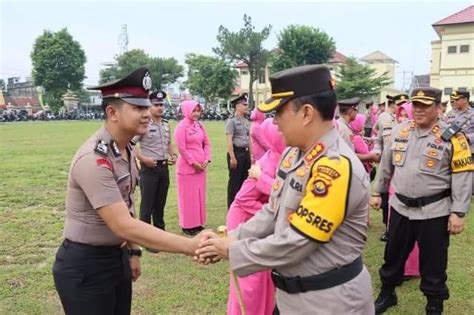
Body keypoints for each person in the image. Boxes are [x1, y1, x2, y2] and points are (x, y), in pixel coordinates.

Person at [197, 65, 374, 314]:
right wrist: (232, 237)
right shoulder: (293, 154)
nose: (275, 122)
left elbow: (298, 241)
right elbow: (273, 211)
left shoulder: (335, 167)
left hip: (330, 301)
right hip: (293, 297)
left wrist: (232, 250)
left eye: (279, 112)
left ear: (306, 113)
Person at [52, 67, 204, 315]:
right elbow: (123, 224)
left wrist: (132, 251)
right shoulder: (94, 159)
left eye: (146, 107)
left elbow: (127, 202)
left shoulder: (125, 149)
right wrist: (190, 246)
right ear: (112, 112)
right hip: (86, 266)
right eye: (138, 108)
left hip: (117, 257)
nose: (146, 114)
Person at [370, 87, 473, 314]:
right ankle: (387, 293)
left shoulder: (454, 137)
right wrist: (378, 191)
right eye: (415, 105)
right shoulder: (400, 131)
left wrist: (458, 212)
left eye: (425, 105)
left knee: (434, 263)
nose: (418, 110)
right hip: (400, 208)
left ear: (438, 108)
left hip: (434, 211)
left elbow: (463, 175)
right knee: (392, 255)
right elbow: (386, 164)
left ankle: (434, 304)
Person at [226, 117, 285, 315]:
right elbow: (242, 201)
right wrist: (275, 211)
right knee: (250, 282)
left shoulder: (279, 157)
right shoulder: (267, 163)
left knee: (265, 276)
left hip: (260, 221)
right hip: (246, 222)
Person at [133, 91, 177, 241]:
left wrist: (173, 155)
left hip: (163, 167)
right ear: (149, 106)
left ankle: (160, 235)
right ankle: (146, 238)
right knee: (147, 205)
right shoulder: (143, 124)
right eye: (156, 105)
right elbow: (131, 145)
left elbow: (168, 143)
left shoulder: (165, 124)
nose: (160, 108)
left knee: (160, 203)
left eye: (161, 105)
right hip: (149, 169)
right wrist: (144, 159)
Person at [174, 100, 212, 235]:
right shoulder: (181, 127)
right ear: (186, 111)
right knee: (187, 197)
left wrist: (207, 159)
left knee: (198, 196)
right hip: (187, 169)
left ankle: (197, 223)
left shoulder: (200, 125)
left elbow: (207, 143)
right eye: (193, 111)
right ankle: (187, 226)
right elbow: (182, 148)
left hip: (201, 168)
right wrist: (193, 163)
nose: (196, 113)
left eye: (198, 110)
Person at [372, 95, 397, 241]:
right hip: (387, 165)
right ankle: (387, 228)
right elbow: (378, 139)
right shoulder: (383, 118)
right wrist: (377, 151)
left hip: (401, 167)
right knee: (386, 198)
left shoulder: (410, 122)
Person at [226, 93, 251, 208]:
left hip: (246, 153)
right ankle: (232, 206)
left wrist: (251, 155)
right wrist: (232, 157)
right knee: (234, 182)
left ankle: (241, 205)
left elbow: (249, 138)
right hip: (237, 153)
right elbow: (229, 139)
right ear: (237, 106)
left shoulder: (246, 120)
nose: (246, 106)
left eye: (246, 104)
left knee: (245, 181)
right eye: (244, 104)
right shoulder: (231, 121)